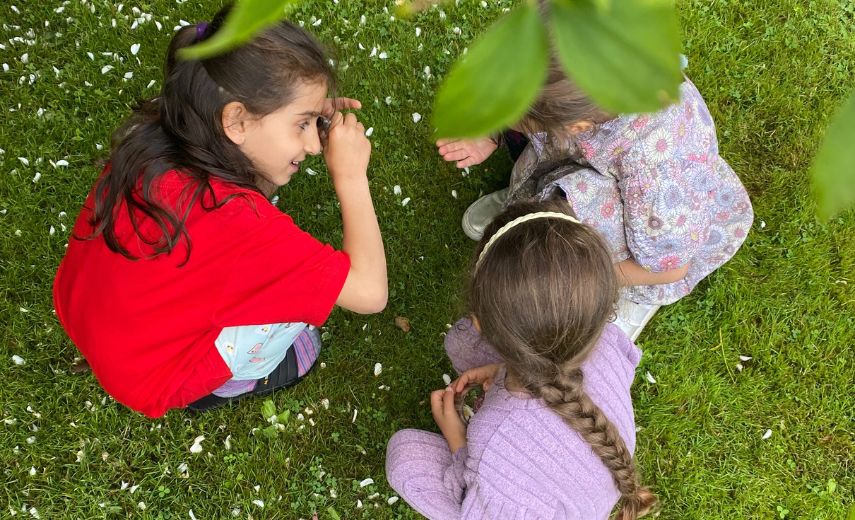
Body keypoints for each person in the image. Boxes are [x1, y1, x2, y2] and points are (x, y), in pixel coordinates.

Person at [52, 6, 387, 418]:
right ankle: (245, 377)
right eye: (302, 125)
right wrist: (351, 178)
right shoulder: (240, 227)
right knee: (289, 315)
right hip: (151, 378)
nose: (316, 146)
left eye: (314, 120)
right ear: (236, 120)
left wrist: (303, 111)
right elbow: (370, 293)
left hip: (89, 314)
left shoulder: (164, 131)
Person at [436, 58, 753, 339]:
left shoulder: (662, 177)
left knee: (585, 232)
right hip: (589, 160)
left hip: (654, 241)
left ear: (577, 125)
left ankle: (629, 296)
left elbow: (670, 268)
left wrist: (584, 279)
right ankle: (534, 200)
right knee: (547, 152)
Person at [386, 200, 654, 519]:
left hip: (525, 496)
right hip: (581, 485)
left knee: (405, 458)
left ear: (484, 324)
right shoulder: (607, 339)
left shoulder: (493, 438)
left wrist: (460, 443)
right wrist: (499, 370)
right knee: (462, 345)